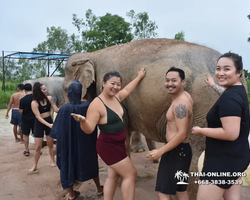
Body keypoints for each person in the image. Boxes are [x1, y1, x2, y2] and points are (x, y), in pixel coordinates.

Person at [72, 68, 146, 200]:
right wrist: (83, 121)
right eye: (113, 83)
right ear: (103, 83)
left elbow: (128, 90)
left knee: (113, 175)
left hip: (118, 145)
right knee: (130, 174)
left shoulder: (116, 97)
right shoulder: (96, 104)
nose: (116, 87)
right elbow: (89, 130)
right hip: (108, 146)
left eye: (118, 84)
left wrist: (139, 77)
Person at [192, 52, 250, 200]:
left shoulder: (230, 99)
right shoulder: (238, 91)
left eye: (227, 69)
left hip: (222, 163)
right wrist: (213, 85)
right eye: (218, 69)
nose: (220, 73)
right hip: (237, 158)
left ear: (238, 73)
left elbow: (230, 133)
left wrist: (201, 130)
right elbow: (228, 97)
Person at [50, 81, 103, 200]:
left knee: (68, 165)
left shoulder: (64, 109)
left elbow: (56, 130)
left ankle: (72, 195)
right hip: (86, 144)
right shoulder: (88, 106)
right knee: (91, 164)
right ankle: (99, 189)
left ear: (69, 93)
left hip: (67, 145)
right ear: (80, 92)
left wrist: (54, 146)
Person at [148, 67, 193, 200]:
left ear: (183, 82)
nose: (169, 83)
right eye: (167, 80)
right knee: (181, 190)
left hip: (175, 152)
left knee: (163, 192)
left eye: (174, 80)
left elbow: (182, 133)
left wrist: (160, 151)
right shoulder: (186, 96)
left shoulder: (180, 104)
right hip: (183, 151)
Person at [29, 82, 59, 172]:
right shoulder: (34, 103)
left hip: (49, 121)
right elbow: (38, 117)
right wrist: (49, 125)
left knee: (50, 144)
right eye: (44, 89)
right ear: (39, 91)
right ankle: (35, 165)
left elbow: (56, 110)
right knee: (38, 147)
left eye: (46, 89)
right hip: (39, 124)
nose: (46, 91)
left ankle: (52, 161)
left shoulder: (49, 99)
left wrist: (66, 106)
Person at [19, 83, 35, 156]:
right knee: (36, 135)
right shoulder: (35, 98)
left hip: (25, 119)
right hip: (35, 119)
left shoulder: (22, 100)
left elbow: (21, 111)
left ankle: (27, 150)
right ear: (31, 89)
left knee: (26, 135)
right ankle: (38, 150)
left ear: (24, 90)